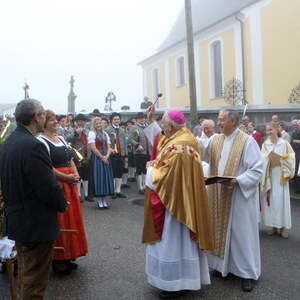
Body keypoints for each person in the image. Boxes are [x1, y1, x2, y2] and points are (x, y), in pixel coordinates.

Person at [142, 109, 213, 299]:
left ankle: (176, 283)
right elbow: (161, 141)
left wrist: (151, 170)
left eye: (164, 125)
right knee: (181, 244)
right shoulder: (183, 137)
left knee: (173, 243)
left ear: (171, 126)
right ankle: (184, 279)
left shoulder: (180, 146)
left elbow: (166, 177)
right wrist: (151, 122)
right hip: (182, 199)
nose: (162, 129)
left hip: (175, 204)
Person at [0, 99, 67, 299]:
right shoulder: (33, 145)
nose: (45, 118)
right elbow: (47, 186)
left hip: (18, 220)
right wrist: (62, 203)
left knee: (26, 273)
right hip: (36, 224)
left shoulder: (10, 142)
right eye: (43, 115)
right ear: (36, 117)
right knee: (35, 282)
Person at [200, 109, 263, 292]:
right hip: (219, 194)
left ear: (233, 121)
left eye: (221, 120)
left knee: (240, 235)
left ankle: (246, 274)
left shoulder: (247, 141)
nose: (218, 123)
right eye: (218, 120)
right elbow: (199, 149)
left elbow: (257, 169)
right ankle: (222, 267)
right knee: (221, 231)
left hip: (238, 196)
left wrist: (238, 180)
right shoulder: (216, 139)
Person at [38, 110, 88, 275]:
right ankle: (59, 259)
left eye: (55, 119)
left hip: (69, 183)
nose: (55, 122)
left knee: (72, 219)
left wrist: (75, 173)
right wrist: (66, 177)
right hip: (58, 184)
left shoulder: (60, 138)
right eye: (51, 120)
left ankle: (70, 254)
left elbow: (71, 158)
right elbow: (47, 167)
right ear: (43, 123)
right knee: (61, 221)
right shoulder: (40, 141)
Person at [260, 122, 295, 238]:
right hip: (269, 174)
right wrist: (266, 159)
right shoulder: (265, 144)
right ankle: (274, 226)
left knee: (281, 201)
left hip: (281, 174)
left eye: (271, 130)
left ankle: (283, 227)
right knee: (271, 201)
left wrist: (284, 159)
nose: (269, 132)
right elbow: (261, 158)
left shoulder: (284, 143)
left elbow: (292, 156)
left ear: (276, 130)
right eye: (267, 130)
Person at [88, 117, 114, 209]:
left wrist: (107, 156)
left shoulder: (105, 134)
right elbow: (93, 148)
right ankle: (99, 201)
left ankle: (104, 200)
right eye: (97, 123)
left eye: (100, 123)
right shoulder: (92, 133)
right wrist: (102, 157)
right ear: (94, 124)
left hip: (106, 157)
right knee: (99, 178)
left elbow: (109, 147)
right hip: (97, 158)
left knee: (106, 178)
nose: (99, 125)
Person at [66, 113, 90, 202]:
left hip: (87, 156)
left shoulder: (87, 130)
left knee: (86, 176)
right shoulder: (71, 130)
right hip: (76, 156)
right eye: (79, 121)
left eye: (83, 121)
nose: (81, 123)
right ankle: (78, 194)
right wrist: (76, 133)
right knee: (78, 176)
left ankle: (87, 194)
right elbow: (66, 139)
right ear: (75, 122)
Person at [105, 113, 127, 199]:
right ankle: (112, 191)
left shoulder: (122, 130)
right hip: (112, 154)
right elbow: (106, 143)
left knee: (119, 173)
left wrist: (126, 155)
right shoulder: (107, 130)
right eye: (115, 119)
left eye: (118, 119)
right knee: (112, 173)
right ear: (111, 120)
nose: (117, 120)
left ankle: (118, 191)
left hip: (121, 154)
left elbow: (124, 143)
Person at [128, 112, 151, 194]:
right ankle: (140, 187)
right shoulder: (134, 127)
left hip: (148, 152)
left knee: (146, 170)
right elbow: (130, 139)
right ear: (137, 119)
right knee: (139, 170)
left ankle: (145, 186)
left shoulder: (148, 126)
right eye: (140, 118)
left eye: (144, 118)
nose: (142, 120)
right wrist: (137, 145)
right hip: (138, 152)